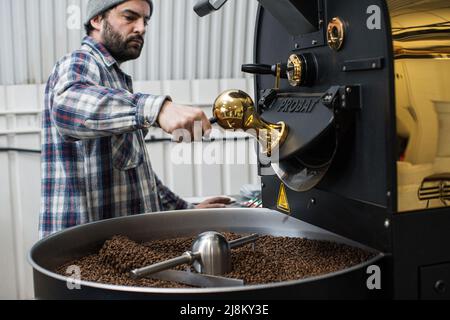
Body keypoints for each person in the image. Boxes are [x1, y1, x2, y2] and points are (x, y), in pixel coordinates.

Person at [39, 0, 230, 238]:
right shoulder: (80, 62)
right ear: (96, 20)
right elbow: (68, 107)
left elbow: (137, 174)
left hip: (116, 251)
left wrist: (186, 211)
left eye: (145, 20)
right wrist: (159, 109)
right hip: (81, 254)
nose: (141, 28)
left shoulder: (116, 81)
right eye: (130, 18)